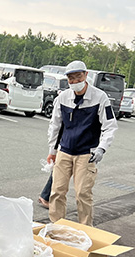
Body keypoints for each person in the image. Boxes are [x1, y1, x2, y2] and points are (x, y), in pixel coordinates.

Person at [46, 60, 117, 226]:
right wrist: (52, 150)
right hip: (65, 150)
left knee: (83, 194)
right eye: (71, 79)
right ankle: (57, 228)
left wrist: (101, 148)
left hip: (87, 153)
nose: (75, 82)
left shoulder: (100, 97)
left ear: (86, 75)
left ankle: (86, 230)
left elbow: (110, 126)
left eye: (78, 77)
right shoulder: (63, 98)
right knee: (57, 191)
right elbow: (55, 125)